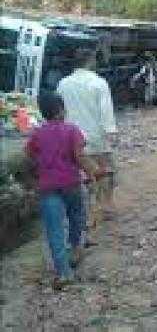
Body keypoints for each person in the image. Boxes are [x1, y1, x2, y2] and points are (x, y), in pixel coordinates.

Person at [25, 93, 98, 290]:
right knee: (76, 217)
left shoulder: (37, 134)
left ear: (43, 113)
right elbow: (79, 156)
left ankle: (64, 272)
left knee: (54, 230)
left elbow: (30, 155)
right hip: (71, 183)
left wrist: (38, 173)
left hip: (48, 187)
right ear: (62, 110)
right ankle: (75, 249)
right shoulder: (72, 130)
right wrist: (92, 173)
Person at [57, 48, 118, 223]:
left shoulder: (63, 84)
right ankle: (106, 205)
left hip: (73, 138)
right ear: (90, 61)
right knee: (105, 170)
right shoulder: (99, 83)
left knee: (82, 174)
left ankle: (89, 210)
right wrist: (111, 131)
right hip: (96, 135)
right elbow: (106, 111)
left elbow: (60, 111)